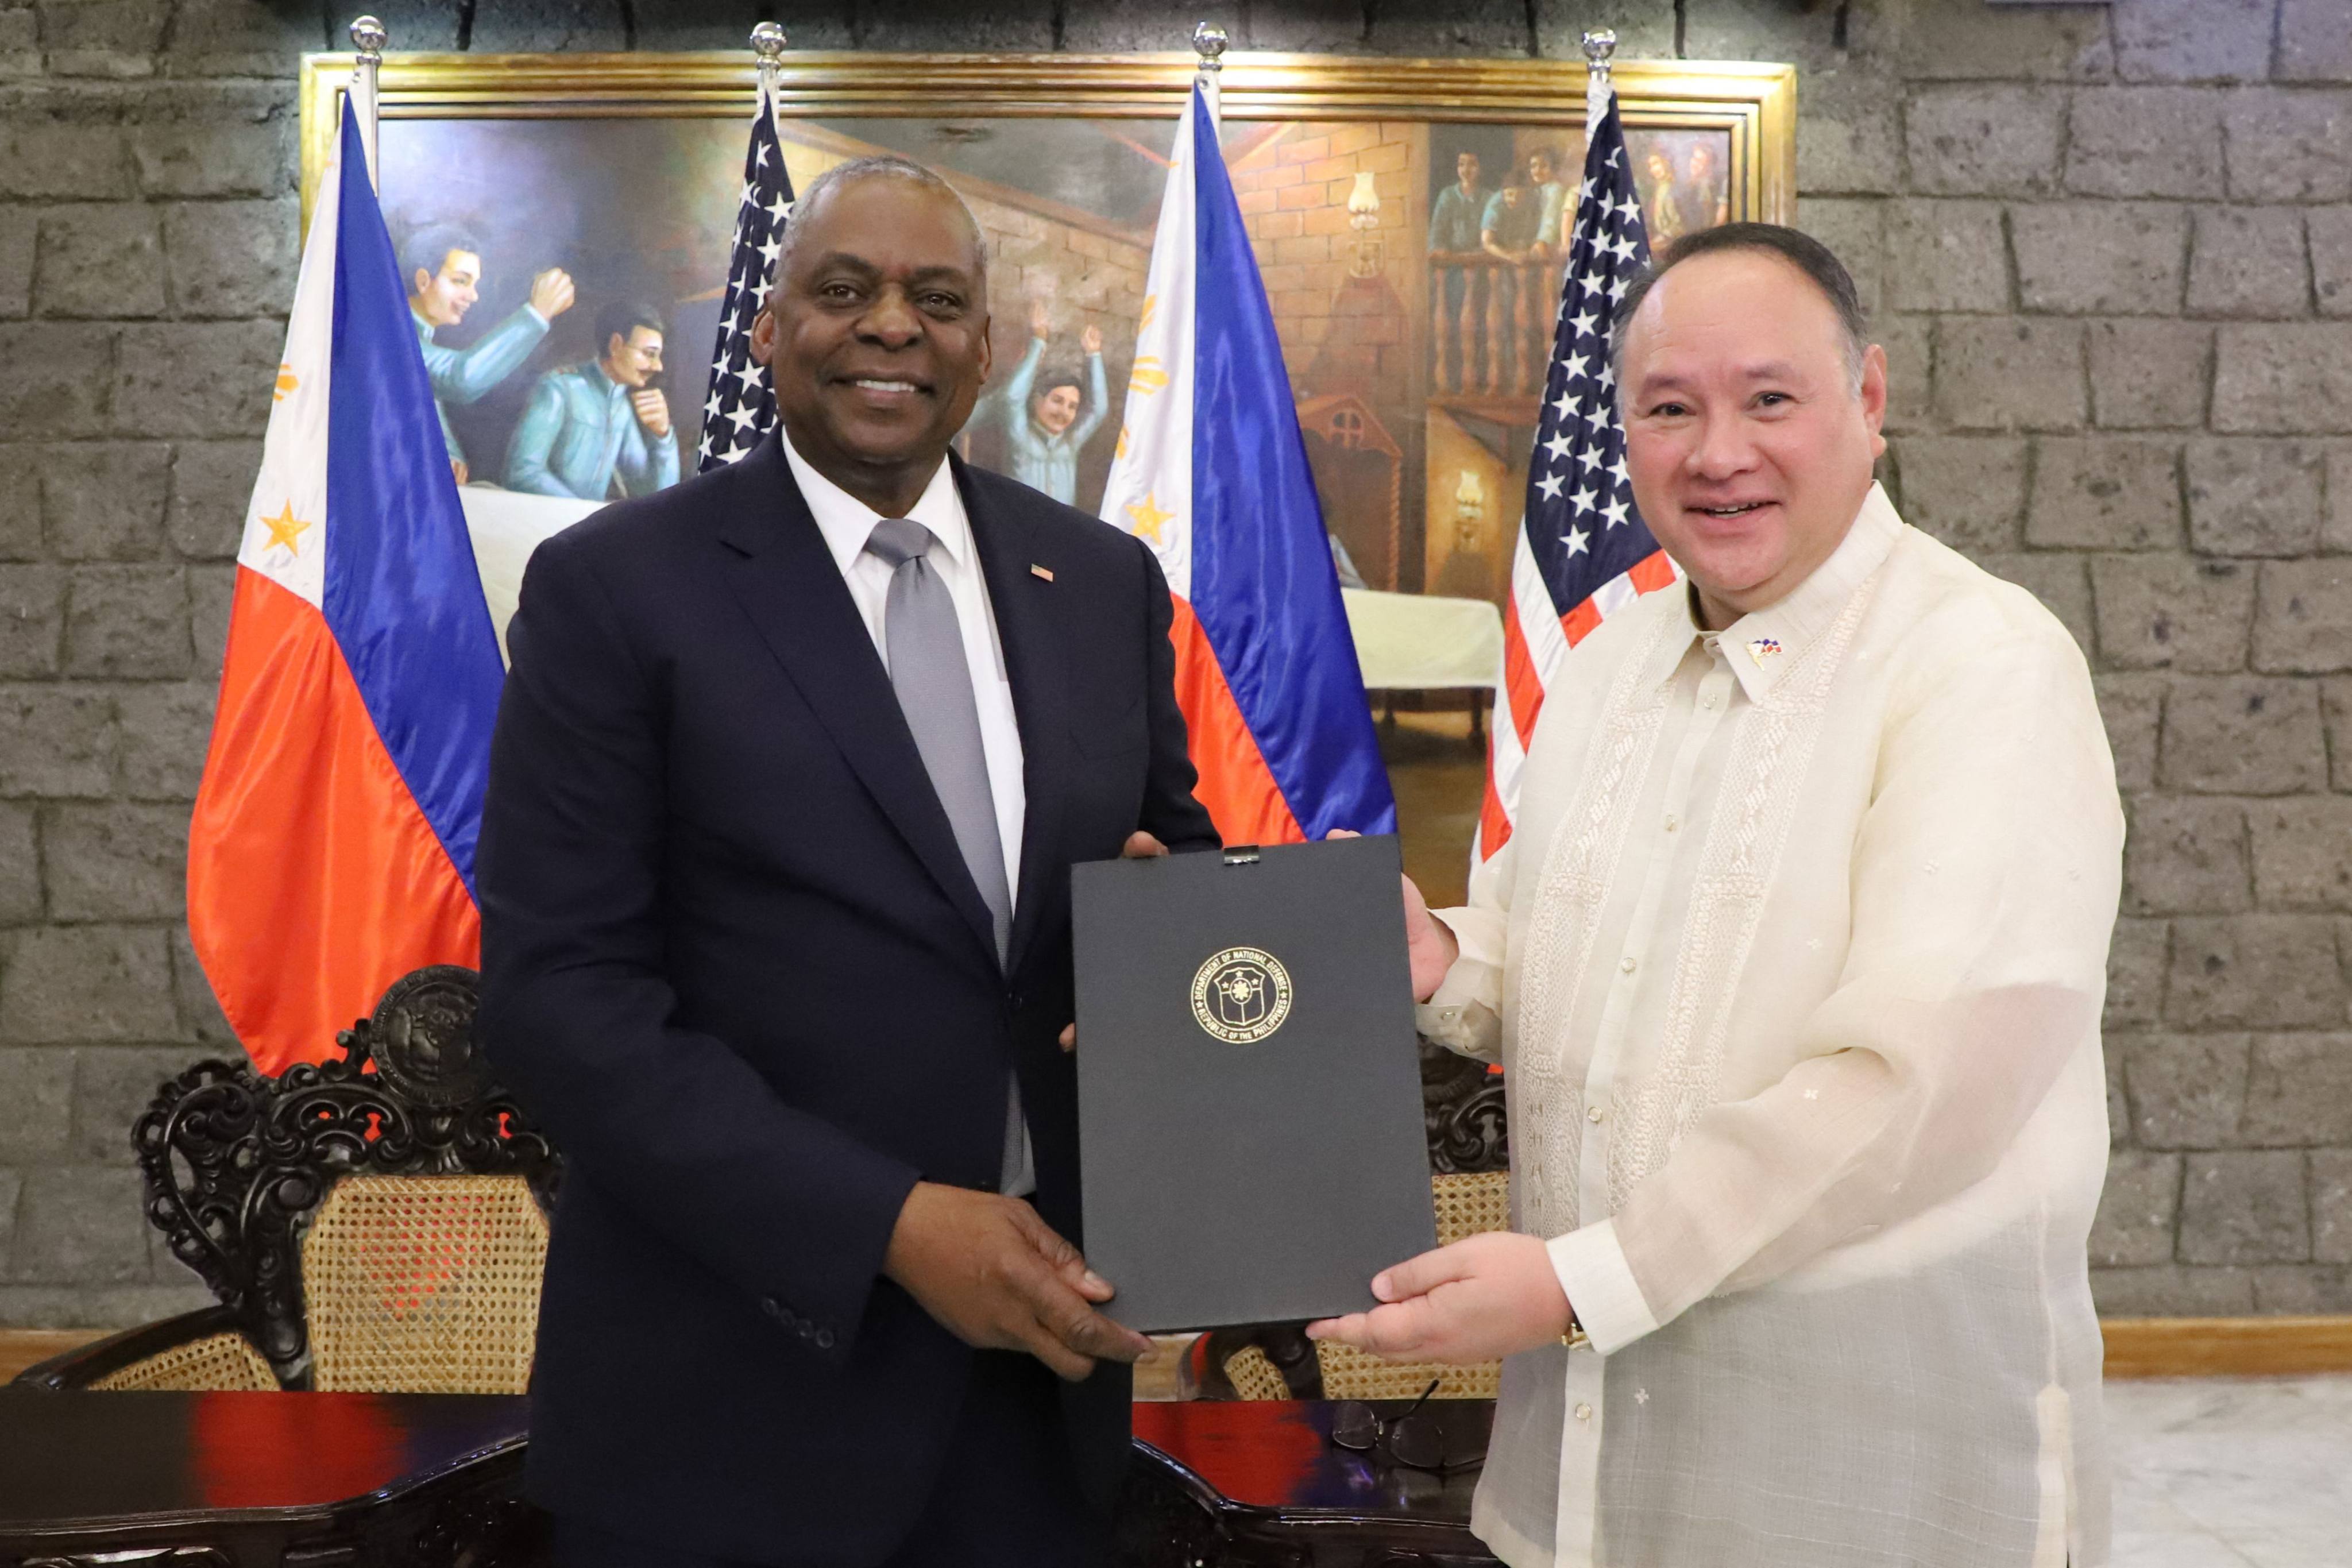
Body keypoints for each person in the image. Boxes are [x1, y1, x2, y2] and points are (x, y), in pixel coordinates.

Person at [1311, 224, 2122, 1567]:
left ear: (1869, 399)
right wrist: (1443, 955)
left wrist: (1584, 1282)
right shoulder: (1607, 669)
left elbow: (1914, 1081)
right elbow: (1566, 952)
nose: (1718, 453)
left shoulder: (1983, 670)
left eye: (1769, 399)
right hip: (1578, 1479)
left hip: (1858, 1482)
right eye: (1670, 409)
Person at [475, 154, 1217, 1567]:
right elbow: (563, 998)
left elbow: (1166, 868)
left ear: (986, 349)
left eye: (937, 300)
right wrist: (886, 1224)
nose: (892, 326)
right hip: (729, 1405)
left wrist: (1171, 941)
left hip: (1043, 1395)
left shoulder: (1101, 583)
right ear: (768, 328)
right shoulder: (615, 590)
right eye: (844, 290)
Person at [402, 224, 574, 484]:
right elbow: (460, 378)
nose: (472, 296)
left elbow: (426, 415)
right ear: (424, 281)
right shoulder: (392, 341)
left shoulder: (414, 336)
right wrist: (537, 314)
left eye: (474, 284)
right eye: (461, 281)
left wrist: (449, 455)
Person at [503, 300, 681, 500]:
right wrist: (583, 515)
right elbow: (523, 472)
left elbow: (653, 493)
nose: (658, 367)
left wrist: (663, 437)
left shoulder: (621, 405)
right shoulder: (559, 388)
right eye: (649, 354)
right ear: (616, 345)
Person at [976, 298, 1108, 505]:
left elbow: (1097, 410)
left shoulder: (1070, 443)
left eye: (1072, 406)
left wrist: (1094, 354)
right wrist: (1039, 341)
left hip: (1061, 531)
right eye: (1057, 401)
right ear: (1037, 399)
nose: (1063, 412)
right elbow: (1012, 398)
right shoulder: (1021, 434)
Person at [1428, 150, 1490, 388]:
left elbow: (1495, 232)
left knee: (1482, 322)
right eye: (1461, 164)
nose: (1466, 170)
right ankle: (1453, 381)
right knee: (1453, 323)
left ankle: (1482, 380)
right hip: (1455, 272)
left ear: (1480, 168)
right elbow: (1437, 233)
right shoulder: (1448, 197)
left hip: (1482, 270)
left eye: (1472, 164)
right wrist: (1440, 248)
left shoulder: (1488, 198)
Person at [1524, 147, 1569, 255]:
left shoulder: (1556, 190)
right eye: (1533, 166)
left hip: (1550, 244)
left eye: (1544, 166)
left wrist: (1542, 241)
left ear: (1554, 168)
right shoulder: (1537, 191)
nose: (1537, 171)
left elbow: (1551, 220)